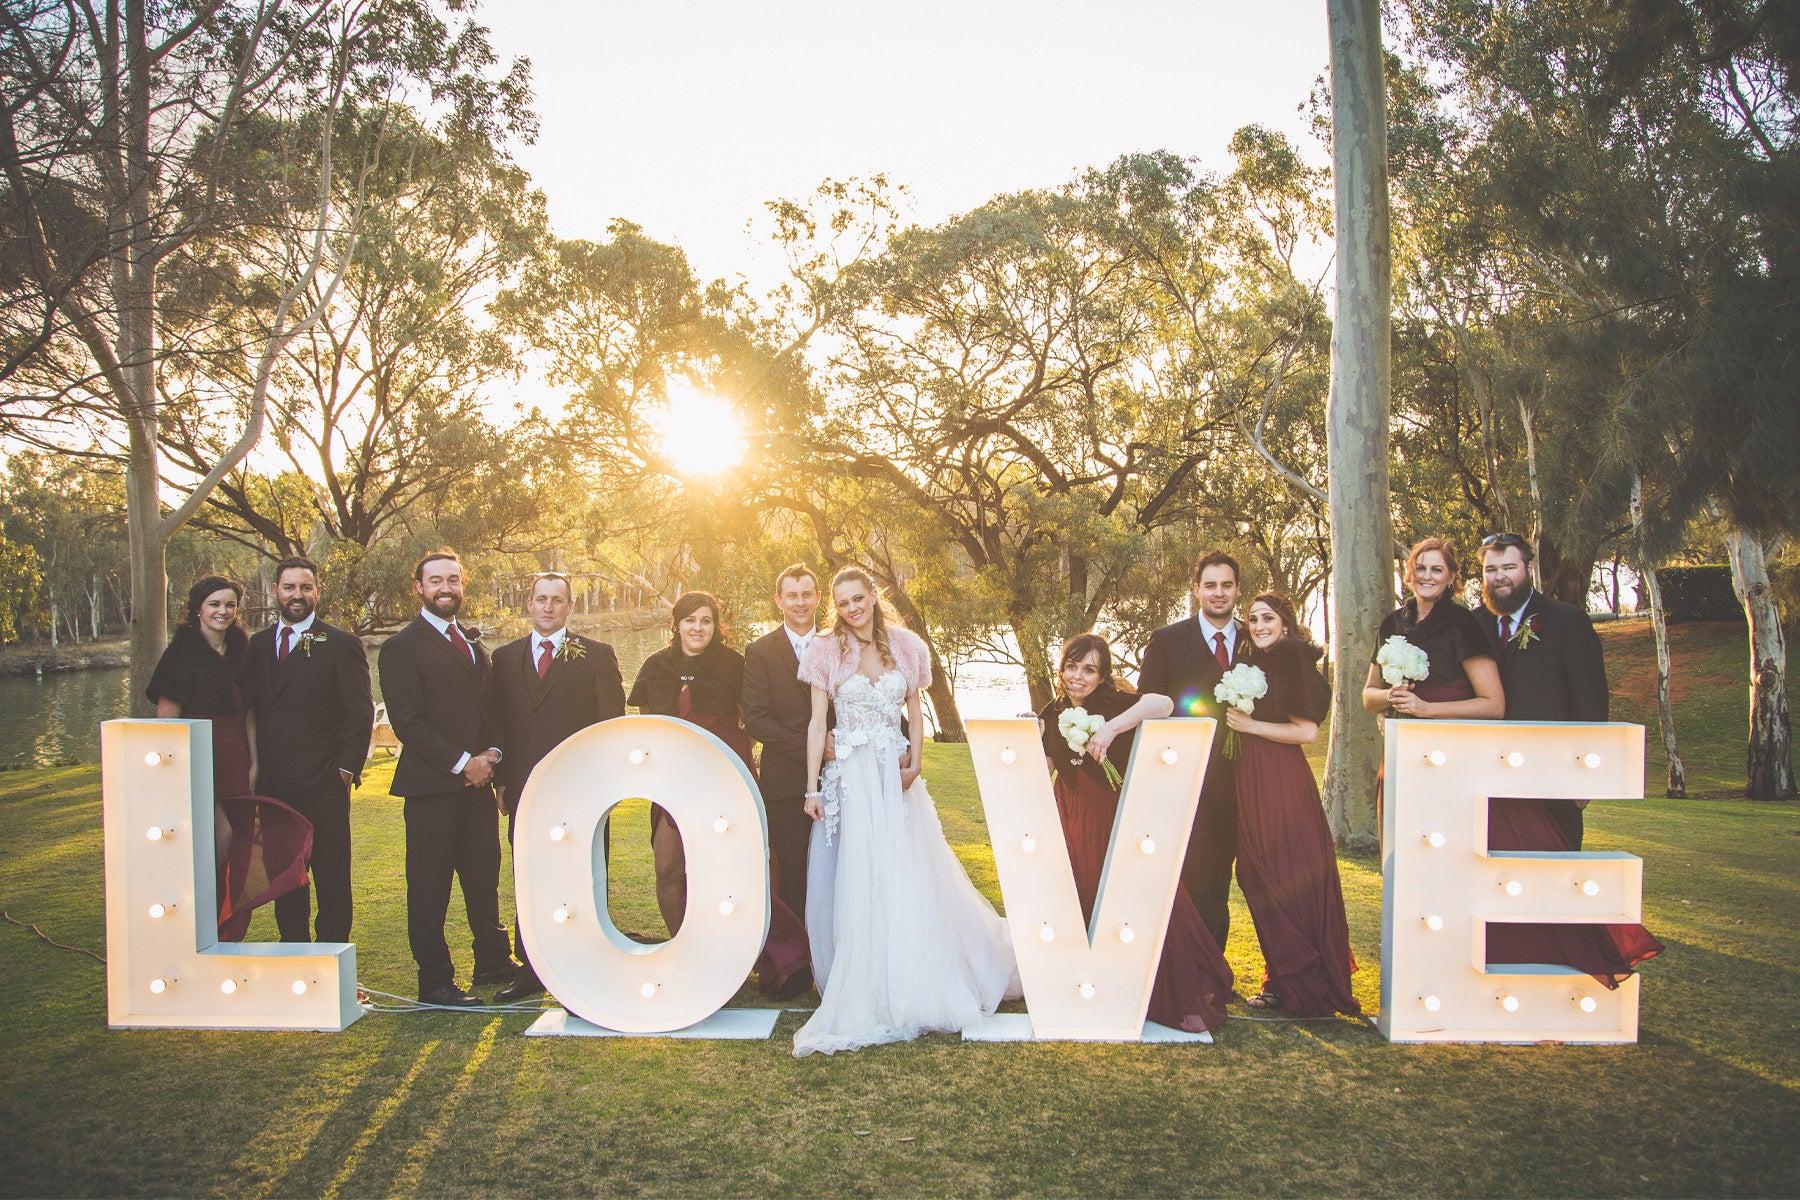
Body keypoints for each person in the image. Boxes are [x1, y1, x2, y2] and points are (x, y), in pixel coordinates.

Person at [793, 566, 1017, 1056]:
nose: (853, 609)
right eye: (844, 602)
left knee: (908, 872)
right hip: (851, 778)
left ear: (874, 596)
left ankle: (921, 979)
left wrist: (916, 761)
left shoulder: (907, 645)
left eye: (860, 598)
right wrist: (811, 787)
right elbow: (816, 724)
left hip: (895, 778)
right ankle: (870, 982)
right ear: (836, 606)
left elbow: (916, 711)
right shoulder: (826, 651)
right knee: (863, 877)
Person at [1479, 532, 1663, 986]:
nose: (1499, 578)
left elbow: (1590, 701)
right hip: (1486, 779)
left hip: (1553, 780)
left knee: (1554, 879)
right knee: (1494, 880)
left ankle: (1562, 977)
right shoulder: (1474, 625)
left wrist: (1584, 782)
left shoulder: (1566, 621)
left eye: (1508, 568)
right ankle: (1505, 969)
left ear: (1528, 569)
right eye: (1490, 569)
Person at [1037, 633, 1234, 1033]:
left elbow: (1162, 703)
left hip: (1110, 816)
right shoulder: (1051, 709)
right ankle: (1091, 986)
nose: (1078, 677)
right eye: (1071, 667)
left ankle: (1156, 988)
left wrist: (1111, 729)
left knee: (1127, 899)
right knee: (1077, 899)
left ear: (1102, 675)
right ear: (1061, 669)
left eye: (1089, 669)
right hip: (1068, 814)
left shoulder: (1112, 703)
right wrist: (1029, 736)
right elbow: (1044, 773)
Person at [628, 591, 809, 994]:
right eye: (690, 620)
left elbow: (757, 713)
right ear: (676, 624)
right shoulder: (655, 666)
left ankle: (769, 955)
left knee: (738, 866)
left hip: (724, 773)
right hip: (672, 776)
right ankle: (687, 954)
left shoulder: (734, 664)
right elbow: (646, 729)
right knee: (668, 867)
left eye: (706, 621)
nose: (697, 628)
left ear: (716, 626)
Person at [379, 549, 517, 1007]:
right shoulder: (401, 647)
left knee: (484, 878)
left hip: (476, 789)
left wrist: (492, 755)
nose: (445, 588)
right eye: (435, 580)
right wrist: (464, 762)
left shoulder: (476, 646)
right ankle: (435, 981)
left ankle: (493, 962)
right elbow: (407, 722)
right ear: (419, 588)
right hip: (431, 788)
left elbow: (491, 711)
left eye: (453, 580)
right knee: (429, 886)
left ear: (463, 585)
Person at [483, 571, 626, 1001]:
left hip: (582, 788)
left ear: (569, 607)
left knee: (585, 872)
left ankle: (588, 962)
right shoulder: (504, 659)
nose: (548, 606)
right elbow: (499, 725)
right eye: (540, 598)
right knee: (530, 874)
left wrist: (606, 787)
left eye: (557, 600)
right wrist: (503, 783)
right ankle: (531, 967)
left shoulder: (597, 656)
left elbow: (611, 727)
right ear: (529, 604)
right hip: (526, 787)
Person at [147, 575, 311, 941]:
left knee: (237, 842)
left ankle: (225, 926)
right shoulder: (182, 652)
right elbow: (166, 716)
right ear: (197, 611)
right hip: (199, 754)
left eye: (230, 605)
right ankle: (197, 924)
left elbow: (250, 713)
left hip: (236, 753)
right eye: (214, 605)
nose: (223, 612)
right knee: (216, 838)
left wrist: (254, 762)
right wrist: (173, 771)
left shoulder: (241, 650)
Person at [1226, 592, 1361, 1017]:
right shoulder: (1259, 662)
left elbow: (1306, 733)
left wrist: (1250, 725)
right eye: (1252, 619)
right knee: (1258, 874)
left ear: (1286, 622)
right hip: (1251, 777)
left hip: (1281, 779)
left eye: (1268, 617)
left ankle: (1301, 980)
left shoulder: (1292, 660)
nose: (1259, 625)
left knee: (1280, 874)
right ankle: (1284, 977)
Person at [245, 556, 373, 944]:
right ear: (275, 592)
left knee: (332, 873)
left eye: (305, 587)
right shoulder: (258, 645)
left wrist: (346, 769)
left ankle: (334, 953)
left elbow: (359, 711)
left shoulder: (341, 644)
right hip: (275, 785)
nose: (297, 595)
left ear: (317, 591)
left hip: (325, 782)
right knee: (286, 875)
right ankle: (294, 952)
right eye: (289, 587)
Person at [1137, 549, 1246, 948]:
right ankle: (1189, 969)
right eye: (1211, 585)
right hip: (1185, 777)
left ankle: (1214, 967)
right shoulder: (1167, 640)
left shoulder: (1255, 639)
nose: (1219, 593)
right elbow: (1148, 704)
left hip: (1244, 778)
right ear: (1196, 589)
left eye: (1227, 585)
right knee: (1188, 874)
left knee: (1223, 876)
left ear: (1237, 590)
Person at [740, 563, 826, 997]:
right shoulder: (761, 652)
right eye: (791, 595)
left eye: (807, 594)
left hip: (839, 777)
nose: (799, 602)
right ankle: (795, 966)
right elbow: (755, 719)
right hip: (784, 780)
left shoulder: (837, 644)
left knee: (835, 871)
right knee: (791, 874)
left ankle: (837, 956)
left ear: (817, 596)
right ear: (779, 600)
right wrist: (812, 747)